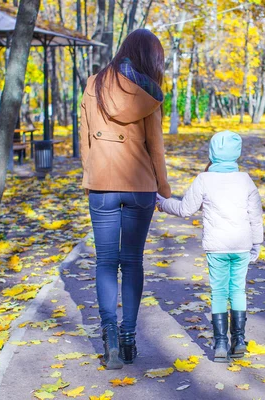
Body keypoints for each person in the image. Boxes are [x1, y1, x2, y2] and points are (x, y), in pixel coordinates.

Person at [79, 29, 171, 370]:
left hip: (102, 183)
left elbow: (85, 137)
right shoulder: (150, 93)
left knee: (105, 262)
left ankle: (110, 337)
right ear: (150, 58)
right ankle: (129, 337)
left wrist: (89, 176)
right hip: (140, 186)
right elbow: (155, 147)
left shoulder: (94, 84)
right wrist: (163, 185)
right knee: (132, 262)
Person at [156, 131, 264, 362]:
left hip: (217, 247)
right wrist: (257, 243)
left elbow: (185, 209)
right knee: (237, 290)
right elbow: (255, 216)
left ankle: (221, 345)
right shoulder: (245, 180)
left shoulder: (204, 180)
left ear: (212, 153)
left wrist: (163, 203)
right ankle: (239, 339)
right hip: (241, 245)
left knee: (218, 292)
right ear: (237, 153)